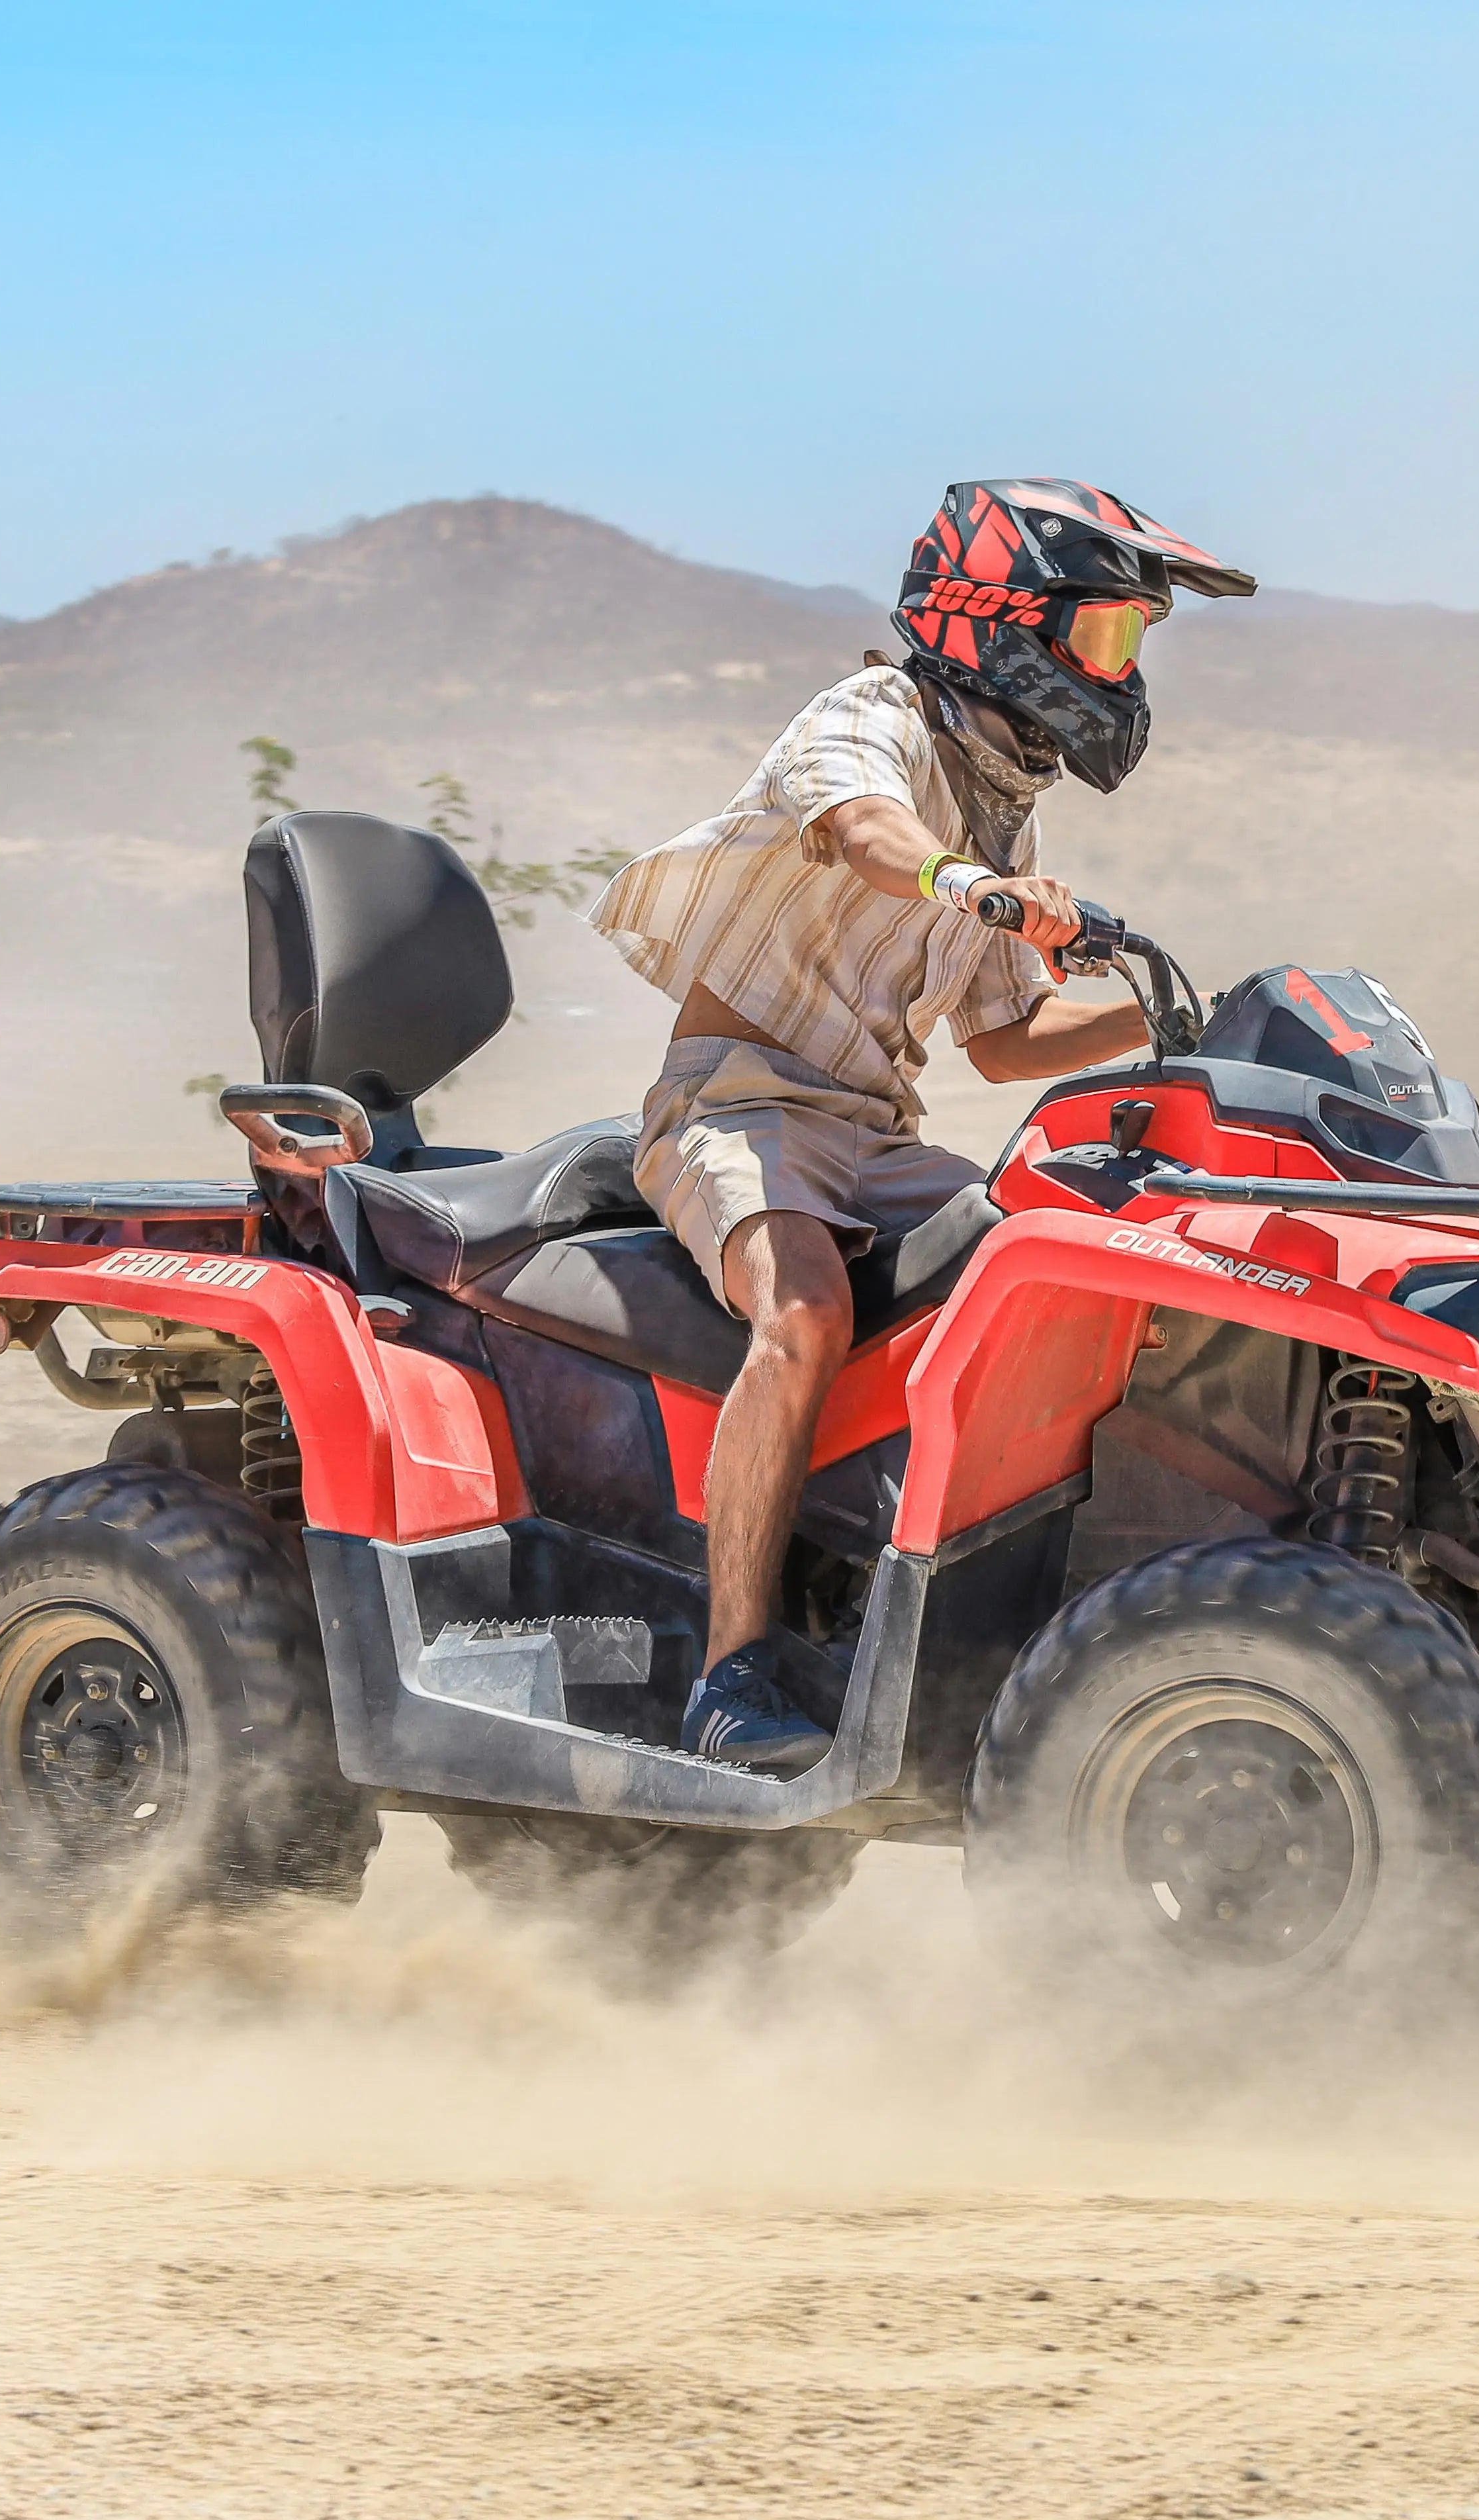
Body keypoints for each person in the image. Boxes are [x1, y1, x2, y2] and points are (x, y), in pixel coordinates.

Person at [583, 479, 1257, 1771]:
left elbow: (1001, 1044)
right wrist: (975, 885)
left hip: (874, 1131)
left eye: (1130, 644)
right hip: (733, 1103)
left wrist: (1165, 1027)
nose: (1118, 671)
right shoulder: (873, 718)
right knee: (805, 1316)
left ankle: (936, 1607)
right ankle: (729, 1673)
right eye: (1108, 634)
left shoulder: (1007, 801)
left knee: (1046, 1268)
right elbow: (860, 829)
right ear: (1000, 619)